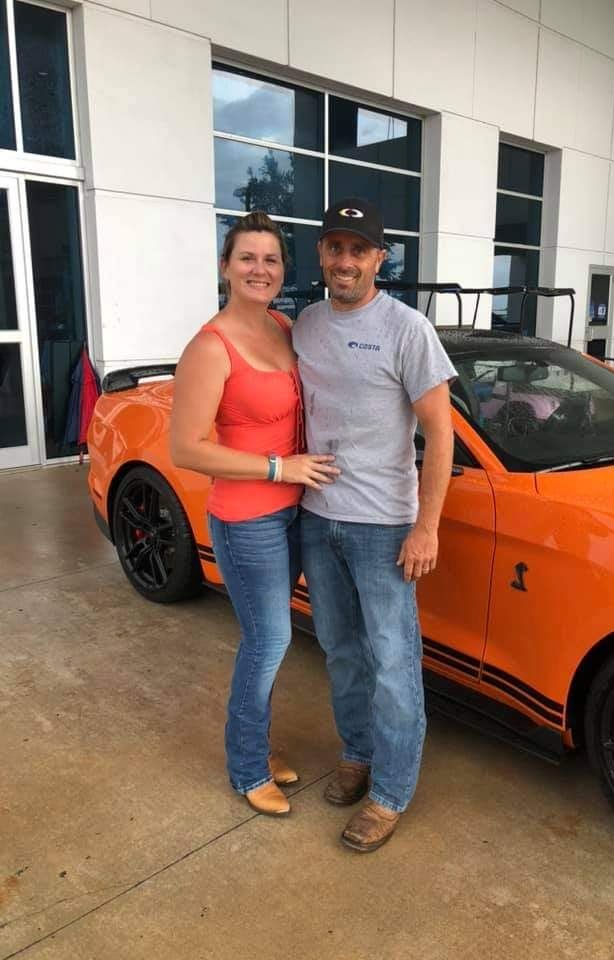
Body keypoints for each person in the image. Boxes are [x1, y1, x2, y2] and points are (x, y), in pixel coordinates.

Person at [293, 197, 457, 852]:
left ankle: (390, 791)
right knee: (340, 651)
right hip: (317, 519)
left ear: (379, 259)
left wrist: (428, 526)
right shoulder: (304, 324)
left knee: (393, 662)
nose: (345, 260)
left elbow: (440, 434)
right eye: (335, 246)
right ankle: (357, 752)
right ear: (322, 256)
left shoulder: (407, 328)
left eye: (358, 249)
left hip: (384, 528)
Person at [170, 211, 338, 817]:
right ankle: (246, 768)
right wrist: (278, 468)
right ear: (225, 267)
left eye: (270, 260)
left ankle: (258, 749)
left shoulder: (283, 327)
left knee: (272, 639)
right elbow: (186, 447)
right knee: (268, 641)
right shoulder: (209, 346)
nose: (259, 269)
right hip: (248, 519)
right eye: (247, 258)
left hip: (300, 512)